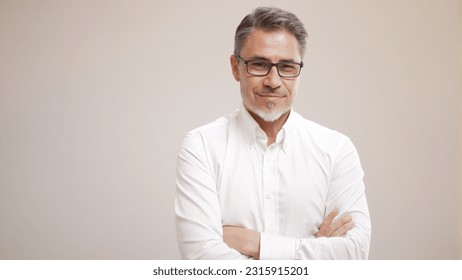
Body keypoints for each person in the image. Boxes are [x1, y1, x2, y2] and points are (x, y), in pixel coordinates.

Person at [175, 6, 371, 260]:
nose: (273, 81)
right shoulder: (201, 146)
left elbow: (355, 253)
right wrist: (314, 253)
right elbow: (202, 260)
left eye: (287, 67)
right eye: (259, 64)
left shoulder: (336, 150)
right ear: (236, 67)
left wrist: (253, 243)